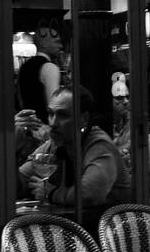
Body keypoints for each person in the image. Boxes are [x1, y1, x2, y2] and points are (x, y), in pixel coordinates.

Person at [19, 87, 131, 220]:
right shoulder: (55, 144)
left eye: (63, 115)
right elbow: (20, 181)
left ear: (83, 119)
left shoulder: (99, 144)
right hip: (78, 227)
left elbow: (90, 194)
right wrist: (13, 145)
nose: (53, 123)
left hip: (114, 232)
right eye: (50, 114)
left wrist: (51, 193)